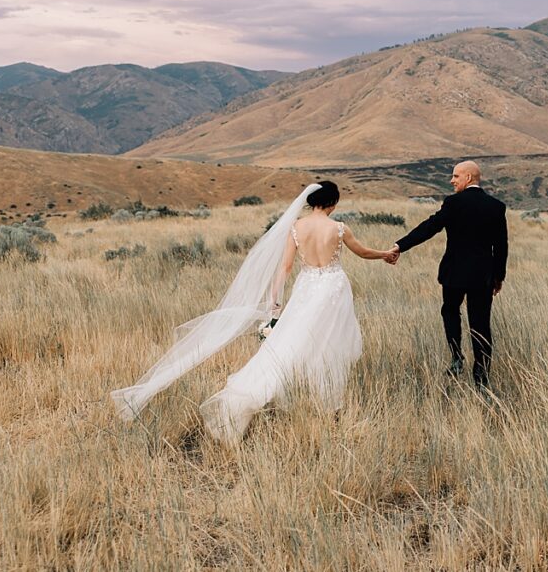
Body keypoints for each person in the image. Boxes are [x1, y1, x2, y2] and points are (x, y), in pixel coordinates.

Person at [111, 181, 397, 442]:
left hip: (306, 289)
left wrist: (274, 302)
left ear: (311, 202)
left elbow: (285, 268)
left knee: (291, 343)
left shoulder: (296, 227)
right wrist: (386, 253)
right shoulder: (339, 228)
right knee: (327, 345)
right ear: (333, 202)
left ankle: (269, 395)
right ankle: (327, 404)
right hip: (333, 290)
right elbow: (362, 252)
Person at [389, 161, 508, 390]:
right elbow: (501, 246)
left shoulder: (454, 203)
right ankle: (481, 378)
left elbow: (429, 227)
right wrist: (498, 277)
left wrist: (400, 246)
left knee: (450, 310)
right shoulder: (496, 206)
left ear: (469, 178)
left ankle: (456, 356)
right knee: (481, 324)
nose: (452, 181)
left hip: (454, 272)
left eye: (455, 176)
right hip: (482, 276)